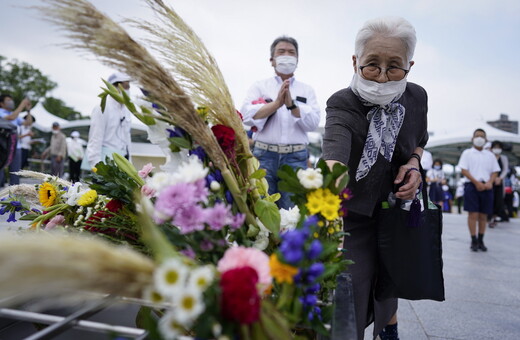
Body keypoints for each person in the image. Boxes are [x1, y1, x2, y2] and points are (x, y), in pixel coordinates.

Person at [322, 17, 427, 340]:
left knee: (388, 279)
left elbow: (419, 142)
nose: (382, 77)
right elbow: (334, 153)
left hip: (394, 209)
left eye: (394, 67)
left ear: (410, 65)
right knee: (348, 287)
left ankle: (389, 329)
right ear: (355, 62)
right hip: (349, 213)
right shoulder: (342, 102)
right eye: (371, 65)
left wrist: (413, 166)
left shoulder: (416, 98)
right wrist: (331, 182)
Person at [241, 36, 320, 210]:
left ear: (297, 60)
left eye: (291, 52)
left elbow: (313, 123)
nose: (287, 55)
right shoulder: (259, 86)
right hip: (264, 156)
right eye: (281, 52)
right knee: (262, 208)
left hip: (296, 158)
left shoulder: (307, 90)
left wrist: (292, 105)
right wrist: (276, 103)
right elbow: (246, 116)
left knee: (292, 211)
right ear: (272, 60)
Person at [457, 128, 500, 252]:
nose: (479, 138)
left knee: (483, 215)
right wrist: (476, 183)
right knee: (473, 214)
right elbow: (464, 169)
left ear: (486, 140)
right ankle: (473, 239)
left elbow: (495, 171)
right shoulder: (467, 153)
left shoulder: (490, 155)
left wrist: (490, 182)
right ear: (472, 138)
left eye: (482, 136)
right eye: (477, 136)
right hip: (472, 186)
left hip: (486, 186)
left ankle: (481, 239)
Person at [85, 72, 132, 168]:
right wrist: (96, 166)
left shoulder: (126, 110)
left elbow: (127, 139)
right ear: (115, 86)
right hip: (105, 163)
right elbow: (95, 138)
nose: (128, 89)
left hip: (122, 162)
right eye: (126, 86)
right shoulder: (102, 108)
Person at [0, 94, 32, 186]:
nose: (11, 102)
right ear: (1, 103)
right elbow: (11, 118)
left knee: (15, 171)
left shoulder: (14, 114)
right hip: (3, 146)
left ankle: (13, 194)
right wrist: (22, 104)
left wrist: (28, 110)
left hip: (15, 146)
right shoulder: (1, 112)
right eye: (8, 100)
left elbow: (28, 123)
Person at [489, 140, 509, 227]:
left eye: (498, 147)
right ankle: (488, 217)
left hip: (499, 182)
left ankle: (495, 217)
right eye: (495, 147)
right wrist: (492, 178)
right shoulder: (489, 157)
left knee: (498, 200)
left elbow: (505, 169)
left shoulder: (503, 158)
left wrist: (500, 178)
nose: (497, 149)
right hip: (490, 181)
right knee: (490, 199)